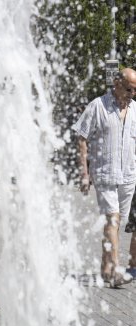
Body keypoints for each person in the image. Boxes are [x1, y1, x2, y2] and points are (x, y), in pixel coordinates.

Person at [73, 68, 136, 288]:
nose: (133, 94)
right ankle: (116, 271)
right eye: (129, 89)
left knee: (117, 224)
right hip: (105, 174)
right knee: (112, 220)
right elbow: (81, 137)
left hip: (128, 177)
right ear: (117, 84)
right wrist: (84, 171)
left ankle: (105, 267)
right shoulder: (97, 106)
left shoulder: (135, 110)